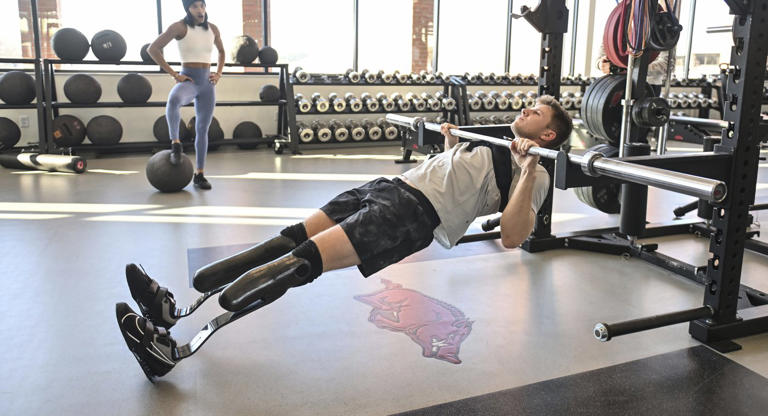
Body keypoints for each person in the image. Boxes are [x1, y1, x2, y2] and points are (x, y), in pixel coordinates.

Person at [116, 96, 574, 380]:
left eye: (536, 111)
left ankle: (172, 351)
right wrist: (452, 147)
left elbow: (514, 235)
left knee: (298, 263)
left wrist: (533, 163)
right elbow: (460, 181)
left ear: (548, 133)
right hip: (385, 188)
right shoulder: (492, 139)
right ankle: (173, 312)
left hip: (410, 215)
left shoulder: (534, 171)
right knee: (285, 242)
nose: (525, 108)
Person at [147, 0, 225, 190]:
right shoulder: (179, 27)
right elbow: (153, 49)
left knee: (202, 129)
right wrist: (175, 74)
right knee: (173, 101)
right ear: (188, 9)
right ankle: (175, 143)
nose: (200, 10)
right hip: (189, 80)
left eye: (202, 5)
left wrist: (218, 74)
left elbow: (222, 52)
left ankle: (199, 175)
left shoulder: (213, 29)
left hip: (206, 84)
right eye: (195, 6)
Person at [596, 0, 673, 96]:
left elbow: (666, 65)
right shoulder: (615, 28)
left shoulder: (660, 28)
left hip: (648, 87)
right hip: (618, 85)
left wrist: (631, 68)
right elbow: (600, 58)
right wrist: (601, 64)